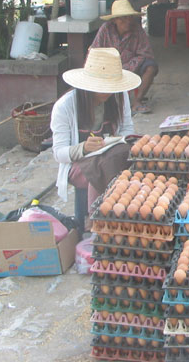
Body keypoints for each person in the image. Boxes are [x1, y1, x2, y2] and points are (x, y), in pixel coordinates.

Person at [51, 47, 138, 233]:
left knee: (119, 156)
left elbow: (128, 130)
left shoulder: (119, 96)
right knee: (102, 165)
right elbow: (59, 154)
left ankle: (119, 219)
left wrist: (115, 140)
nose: (107, 93)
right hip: (78, 166)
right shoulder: (65, 107)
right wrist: (83, 148)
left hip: (112, 156)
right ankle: (95, 220)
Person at [91, 0, 158, 114]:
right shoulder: (105, 29)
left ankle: (137, 101)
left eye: (129, 17)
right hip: (108, 68)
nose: (127, 21)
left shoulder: (137, 29)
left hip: (132, 66)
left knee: (151, 67)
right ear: (115, 20)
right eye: (123, 18)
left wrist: (128, 67)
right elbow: (94, 53)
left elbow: (146, 53)